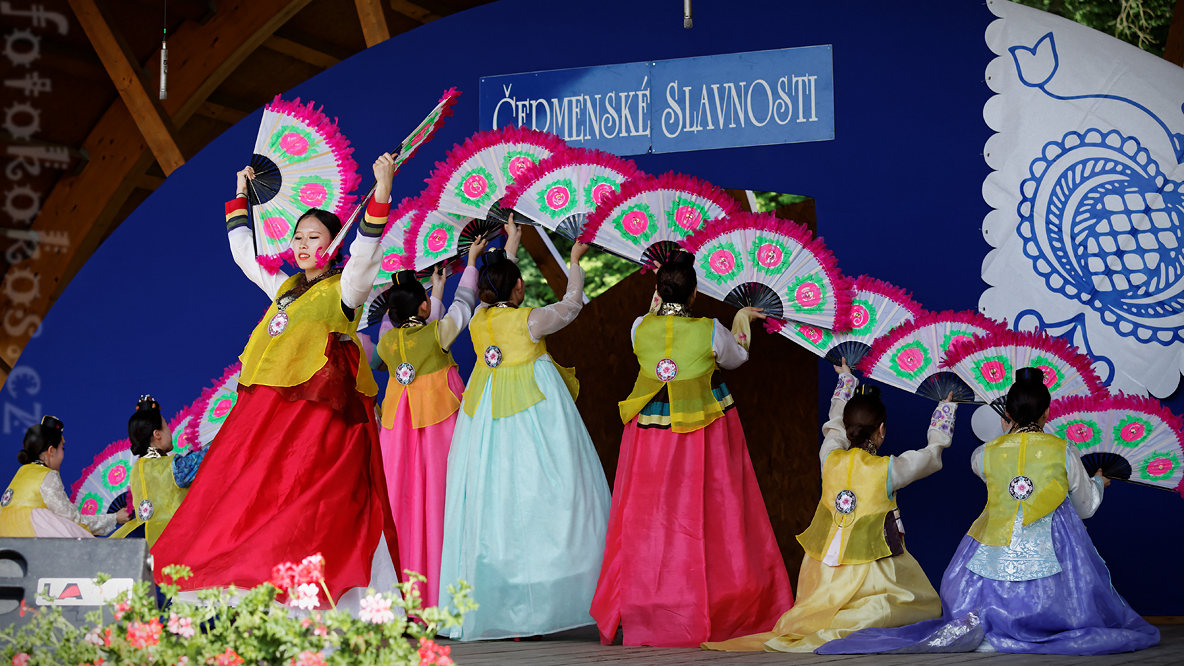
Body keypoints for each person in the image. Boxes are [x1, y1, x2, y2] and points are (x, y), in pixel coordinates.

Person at [152, 155, 401, 607]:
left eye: (314, 237)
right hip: (274, 417)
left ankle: (339, 602)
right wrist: (240, 197)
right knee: (256, 496)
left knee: (315, 502)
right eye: (298, 236)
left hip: (323, 422)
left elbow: (366, 256)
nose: (303, 244)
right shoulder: (285, 288)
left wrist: (382, 188)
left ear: (333, 243)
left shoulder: (344, 291)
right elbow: (246, 256)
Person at [817, 367, 1160, 655]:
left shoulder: (984, 455)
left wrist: (846, 382)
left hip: (839, 564)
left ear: (1006, 415)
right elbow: (1085, 508)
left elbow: (835, 431)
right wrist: (1099, 483)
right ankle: (1046, 622)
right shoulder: (1063, 449)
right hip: (1054, 552)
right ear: (1047, 413)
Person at [590, 251, 792, 647]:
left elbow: (651, 319)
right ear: (696, 292)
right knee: (711, 516)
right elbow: (738, 356)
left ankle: (644, 606)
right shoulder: (711, 329)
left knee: (647, 518)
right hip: (702, 434)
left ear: (657, 290)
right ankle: (715, 605)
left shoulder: (639, 327)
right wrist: (742, 320)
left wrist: (658, 292)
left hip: (648, 433)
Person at [437, 218, 611, 640]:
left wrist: (508, 247)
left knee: (491, 500)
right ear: (520, 289)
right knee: (549, 495)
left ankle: (501, 600)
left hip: (485, 417)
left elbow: (497, 288)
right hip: (535, 413)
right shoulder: (531, 320)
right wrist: (573, 263)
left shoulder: (478, 318)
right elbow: (570, 306)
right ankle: (561, 598)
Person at [705, 360, 953, 652]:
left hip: (823, 571)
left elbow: (833, 428)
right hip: (872, 568)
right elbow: (931, 455)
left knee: (817, 610)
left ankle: (827, 616)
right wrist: (944, 410)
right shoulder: (890, 468)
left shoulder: (830, 456)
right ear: (882, 430)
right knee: (911, 607)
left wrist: (845, 381)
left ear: (847, 428)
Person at [374, 235, 487, 608]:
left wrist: (430, 293)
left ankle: (403, 597)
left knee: (403, 503)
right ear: (423, 308)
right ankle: (444, 594)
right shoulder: (438, 333)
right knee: (442, 499)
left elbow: (417, 326)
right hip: (436, 425)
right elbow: (463, 307)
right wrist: (470, 264)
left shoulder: (386, 342)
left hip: (398, 431)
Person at [0, 416, 130, 537]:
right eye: (62, 448)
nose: (63, 454)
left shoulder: (22, 472)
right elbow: (73, 520)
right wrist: (114, 518)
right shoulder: (47, 475)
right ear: (51, 451)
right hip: (31, 535)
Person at [110, 396, 208, 545]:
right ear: (157, 434)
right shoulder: (171, 466)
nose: (169, 431)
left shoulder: (137, 468)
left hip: (136, 539)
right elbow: (211, 455)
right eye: (166, 426)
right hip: (170, 539)